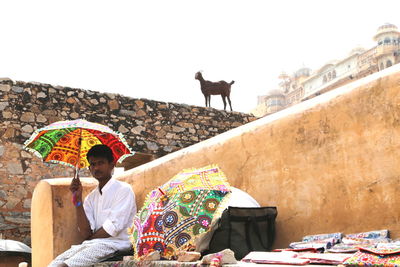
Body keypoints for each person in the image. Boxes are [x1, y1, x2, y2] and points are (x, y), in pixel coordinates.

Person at [48, 144, 137, 267]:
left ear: (112, 165)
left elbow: (113, 228)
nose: (96, 168)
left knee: (65, 266)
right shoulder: (91, 197)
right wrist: (78, 200)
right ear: (89, 168)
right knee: (54, 264)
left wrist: (90, 239)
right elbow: (85, 232)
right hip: (93, 244)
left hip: (117, 244)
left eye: (101, 163)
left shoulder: (123, 190)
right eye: (93, 164)